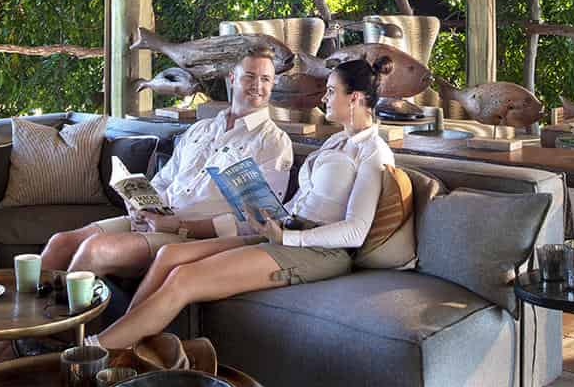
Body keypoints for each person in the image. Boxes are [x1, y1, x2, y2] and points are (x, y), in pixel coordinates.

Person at [94, 57, 396, 353]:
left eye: (331, 91)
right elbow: (307, 200)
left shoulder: (374, 151)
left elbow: (356, 231)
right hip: (286, 229)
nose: (324, 98)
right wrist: (269, 216)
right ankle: (124, 344)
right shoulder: (336, 141)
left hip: (320, 250)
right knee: (171, 254)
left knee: (184, 278)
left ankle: (97, 351)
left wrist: (288, 238)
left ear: (354, 98)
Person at [37, 46, 293, 281]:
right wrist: (142, 207)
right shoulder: (201, 129)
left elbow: (256, 221)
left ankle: (60, 317)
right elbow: (164, 180)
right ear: (233, 78)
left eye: (265, 79)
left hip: (192, 237)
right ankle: (32, 316)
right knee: (61, 243)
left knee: (94, 251)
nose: (257, 85)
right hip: (157, 220)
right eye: (250, 76)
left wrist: (180, 227)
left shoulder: (272, 142)